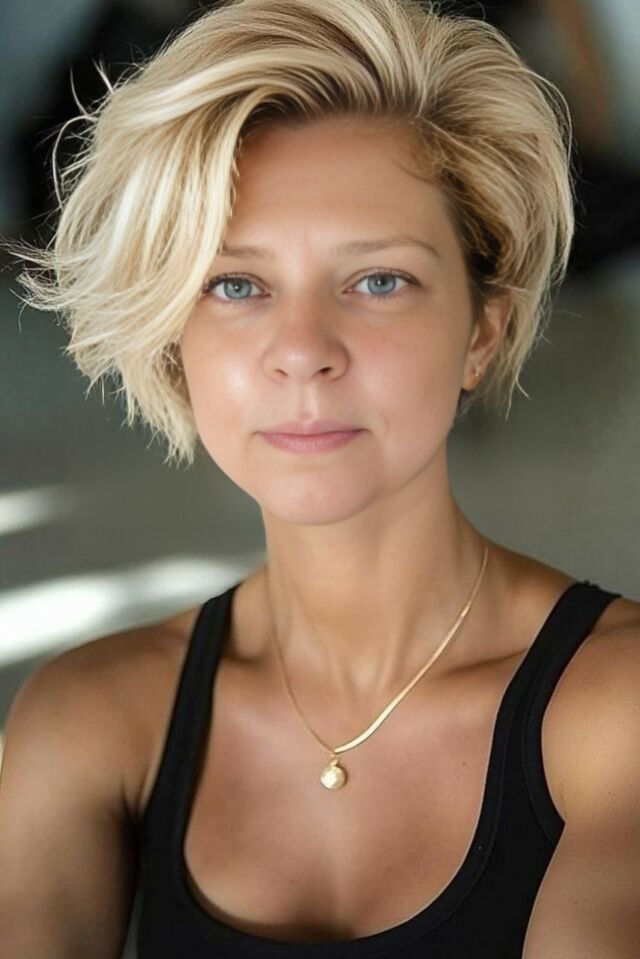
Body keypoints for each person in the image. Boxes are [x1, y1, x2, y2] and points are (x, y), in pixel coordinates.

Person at [1, 0, 639, 956]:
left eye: (377, 280)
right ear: (174, 338)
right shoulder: (88, 720)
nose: (302, 350)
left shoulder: (620, 705)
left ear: (482, 329)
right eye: (236, 285)